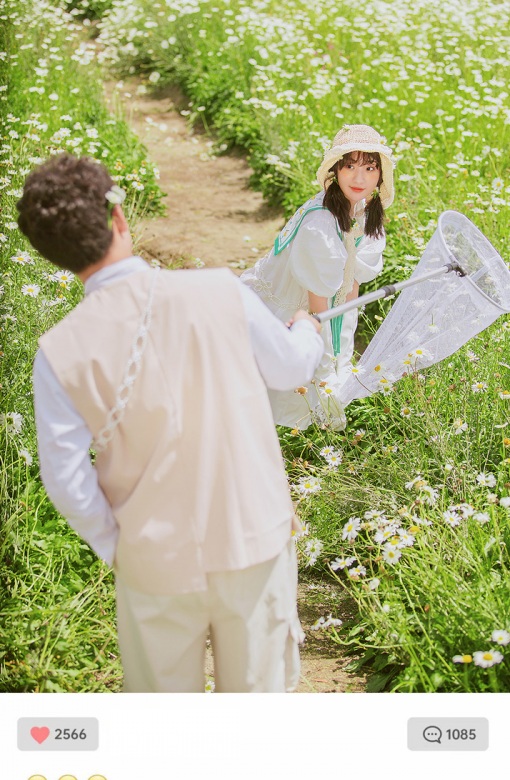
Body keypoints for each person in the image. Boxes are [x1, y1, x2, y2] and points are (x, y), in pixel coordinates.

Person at [18, 153, 325, 693]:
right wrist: (306, 328)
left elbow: (65, 478)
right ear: (118, 217)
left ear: (53, 255)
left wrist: (119, 546)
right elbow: (290, 369)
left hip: (152, 558)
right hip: (253, 535)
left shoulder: (59, 351)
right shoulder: (219, 290)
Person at [241, 124, 395, 430]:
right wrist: (326, 374)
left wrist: (343, 361)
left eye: (369, 168)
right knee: (262, 388)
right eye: (349, 166)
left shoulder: (363, 214)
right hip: (288, 313)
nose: (359, 178)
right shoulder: (321, 223)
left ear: (380, 176)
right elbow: (317, 308)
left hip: (315, 310)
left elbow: (350, 292)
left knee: (323, 378)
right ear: (336, 170)